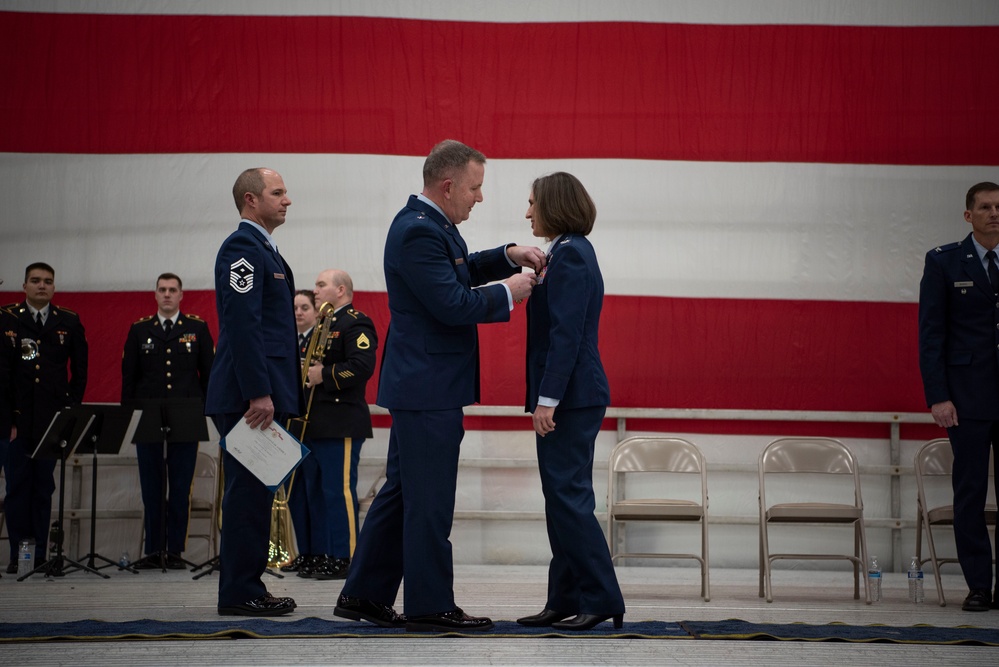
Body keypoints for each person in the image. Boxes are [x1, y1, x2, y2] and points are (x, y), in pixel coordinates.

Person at [333, 139, 542, 631]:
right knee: (429, 501)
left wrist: (507, 255)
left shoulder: (430, 226)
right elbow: (452, 303)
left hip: (423, 385)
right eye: (475, 188)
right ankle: (429, 606)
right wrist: (507, 293)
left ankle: (364, 595)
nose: (480, 198)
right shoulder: (418, 233)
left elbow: (460, 270)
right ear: (448, 187)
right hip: (428, 388)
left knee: (403, 493)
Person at [516, 172, 625, 630]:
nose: (527, 213)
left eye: (532, 203)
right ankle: (564, 597)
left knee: (569, 499)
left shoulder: (573, 256)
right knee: (560, 499)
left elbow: (567, 336)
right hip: (570, 396)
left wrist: (548, 400)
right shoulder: (563, 254)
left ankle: (602, 598)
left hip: (571, 397)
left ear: (554, 205)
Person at [205, 167, 304, 617]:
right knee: (247, 497)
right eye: (277, 193)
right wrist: (259, 392)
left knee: (258, 492)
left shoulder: (266, 248)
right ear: (250, 199)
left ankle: (248, 586)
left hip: (261, 393)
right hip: (250, 398)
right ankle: (241, 592)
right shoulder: (244, 247)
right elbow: (243, 325)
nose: (287, 200)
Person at [918, 181, 999, 613]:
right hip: (966, 400)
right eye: (985, 207)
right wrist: (938, 396)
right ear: (969, 215)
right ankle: (979, 586)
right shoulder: (944, 262)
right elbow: (931, 336)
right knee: (969, 495)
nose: (994, 213)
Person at [285, 269, 377, 581]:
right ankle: (317, 553)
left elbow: (362, 366)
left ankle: (347, 556)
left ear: (340, 290)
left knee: (339, 492)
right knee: (312, 492)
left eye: (321, 285)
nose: (316, 290)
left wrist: (321, 375)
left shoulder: (355, 322)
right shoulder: (323, 325)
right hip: (311, 422)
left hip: (340, 421)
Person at [121, 272, 215, 570]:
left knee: (180, 486)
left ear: (181, 295)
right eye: (162, 289)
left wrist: (207, 410)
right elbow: (129, 377)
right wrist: (130, 416)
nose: (167, 294)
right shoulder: (140, 330)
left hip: (186, 416)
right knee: (151, 486)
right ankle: (152, 550)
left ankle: (174, 550)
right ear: (155, 293)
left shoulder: (197, 328)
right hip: (148, 416)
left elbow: (209, 374)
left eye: (173, 290)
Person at [4, 263, 88, 573]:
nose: (42, 286)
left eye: (48, 281)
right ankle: (18, 555)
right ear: (23, 285)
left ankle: (38, 555)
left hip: (52, 420)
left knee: (43, 487)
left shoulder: (67, 320)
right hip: (18, 419)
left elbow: (80, 372)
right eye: (36, 281)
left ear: (54, 287)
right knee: (16, 488)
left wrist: (71, 410)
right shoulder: (9, 319)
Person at [280, 289, 322, 575]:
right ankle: (303, 551)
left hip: (316, 425)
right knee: (294, 494)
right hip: (288, 426)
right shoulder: (284, 342)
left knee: (314, 492)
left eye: (304, 307)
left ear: (315, 312)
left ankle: (318, 552)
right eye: (294, 307)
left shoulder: (321, 341)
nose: (298, 312)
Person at [0, 305, 17, 577]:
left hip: (3, 420)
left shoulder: (12, 323)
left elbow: (20, 376)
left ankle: (17, 558)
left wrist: (16, 419)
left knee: (13, 491)